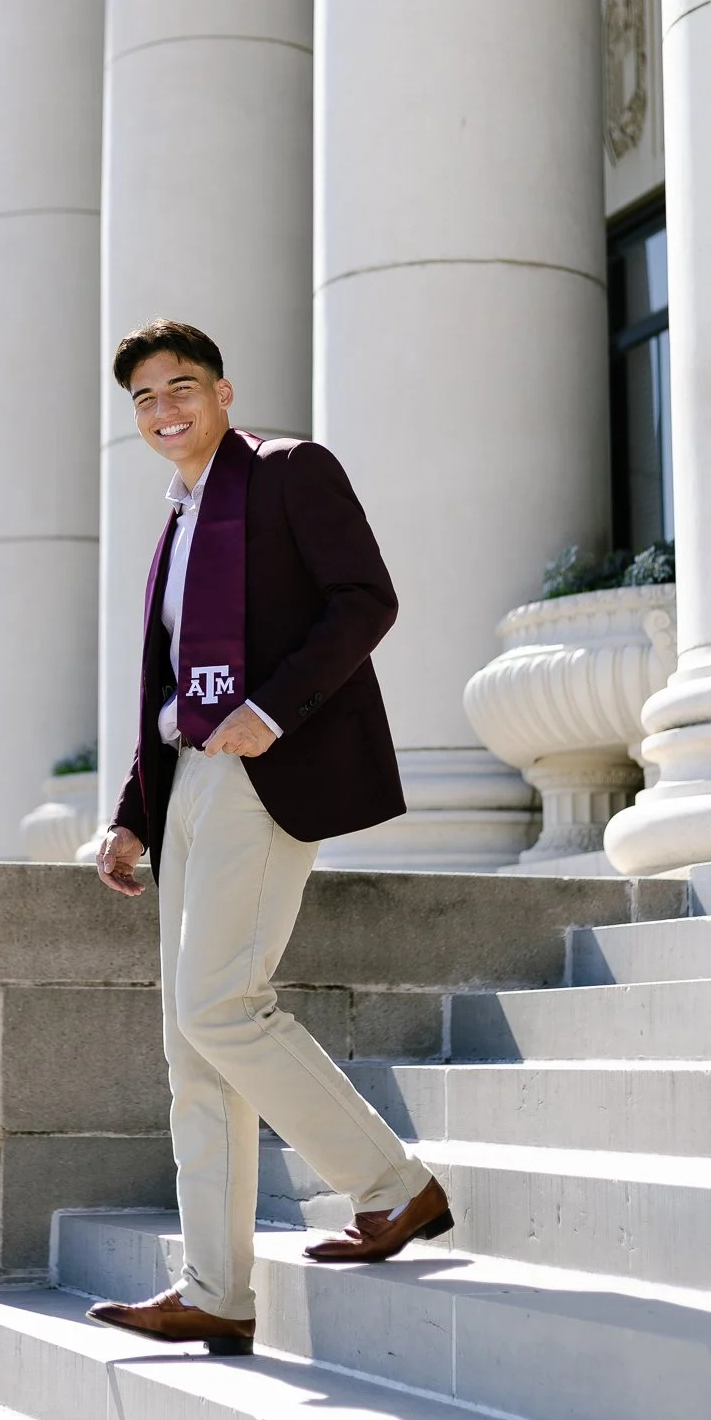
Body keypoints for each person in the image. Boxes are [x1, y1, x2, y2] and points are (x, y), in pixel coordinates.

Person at [89, 320, 452, 1353]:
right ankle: (215, 1285)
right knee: (189, 1044)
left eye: (181, 388)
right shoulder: (174, 524)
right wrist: (129, 812)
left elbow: (364, 599)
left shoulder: (290, 472)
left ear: (223, 390)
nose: (165, 410)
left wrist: (276, 708)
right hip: (188, 778)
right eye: (146, 399)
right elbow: (164, 686)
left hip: (264, 769)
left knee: (219, 1004)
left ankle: (396, 1185)